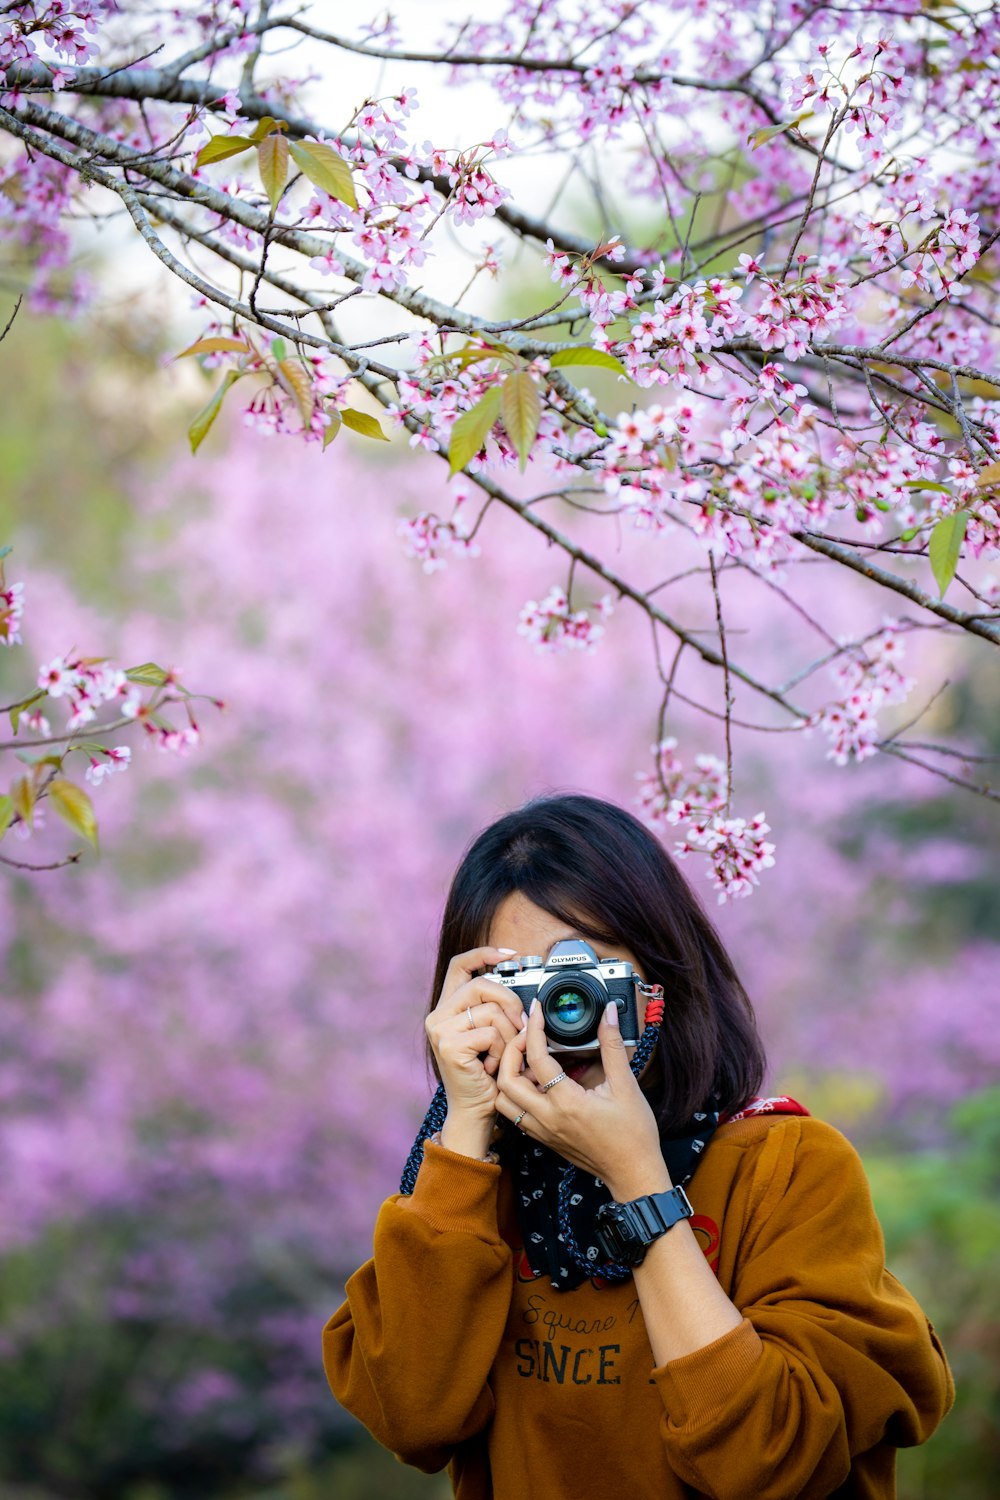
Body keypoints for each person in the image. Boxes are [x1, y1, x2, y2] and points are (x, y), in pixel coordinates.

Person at [323, 793, 953, 1499]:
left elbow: (764, 1460)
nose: (563, 1013)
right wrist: (464, 1129)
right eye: (524, 986)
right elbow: (411, 1421)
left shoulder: (783, 1163)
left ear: (664, 979)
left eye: (587, 978)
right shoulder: (473, 1191)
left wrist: (637, 1180)